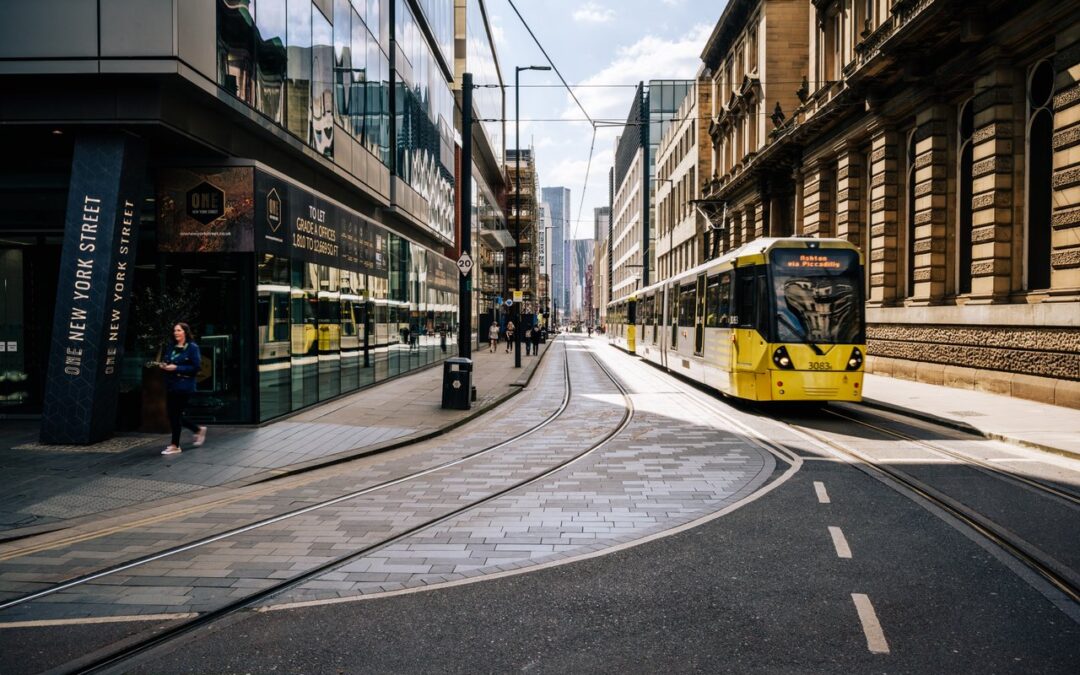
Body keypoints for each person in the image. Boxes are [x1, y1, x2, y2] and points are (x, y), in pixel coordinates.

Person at [160, 322, 205, 455]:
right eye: (175, 331)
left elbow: (196, 367)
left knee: (176, 415)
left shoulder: (192, 347)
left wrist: (177, 368)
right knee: (172, 414)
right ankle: (197, 430)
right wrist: (164, 365)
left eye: (179, 330)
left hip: (184, 385)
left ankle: (175, 445)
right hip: (171, 384)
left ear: (185, 332)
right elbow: (167, 360)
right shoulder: (171, 347)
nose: (176, 333)